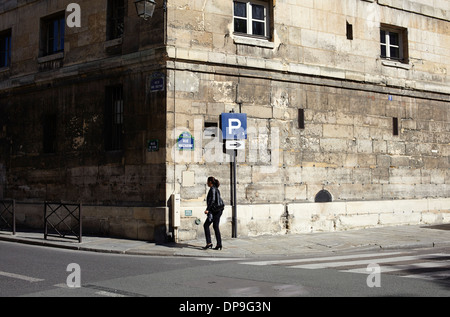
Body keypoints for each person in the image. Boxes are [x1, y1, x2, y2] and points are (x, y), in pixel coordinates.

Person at [203, 176, 224, 250]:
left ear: (210, 182)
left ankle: (209, 243)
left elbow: (212, 200)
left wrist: (207, 209)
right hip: (218, 210)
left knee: (206, 225)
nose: (207, 183)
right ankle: (219, 244)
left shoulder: (212, 189)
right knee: (215, 226)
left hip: (214, 211)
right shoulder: (216, 189)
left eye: (207, 181)